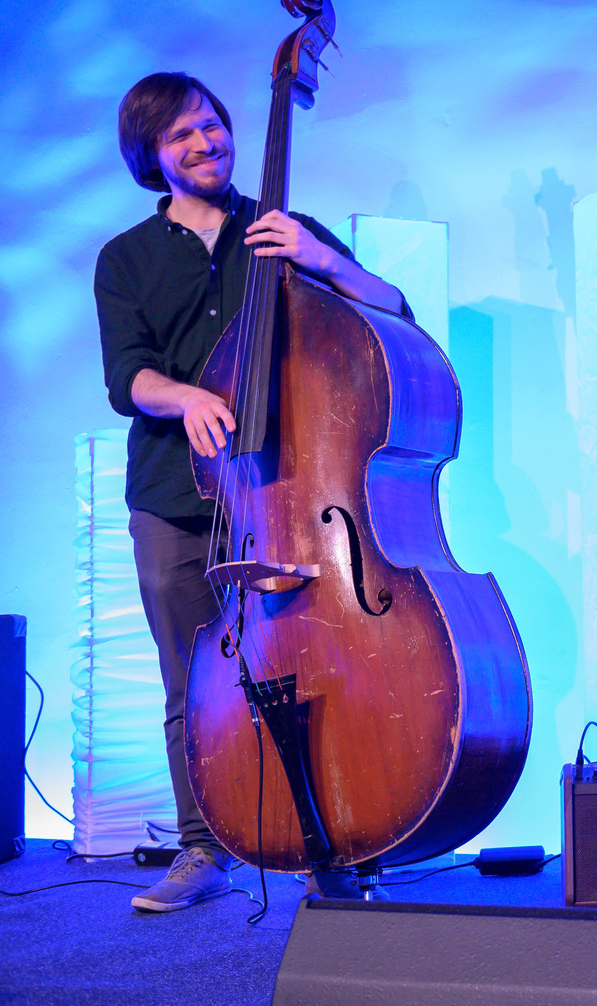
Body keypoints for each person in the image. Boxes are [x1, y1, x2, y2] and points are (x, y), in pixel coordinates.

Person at [93, 72, 407, 913]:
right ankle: (204, 850)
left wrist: (322, 259)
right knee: (190, 679)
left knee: (317, 668)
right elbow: (128, 378)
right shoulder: (124, 258)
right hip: (174, 495)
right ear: (151, 158)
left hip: (294, 494)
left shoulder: (281, 229)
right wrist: (187, 394)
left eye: (212, 126)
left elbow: (394, 309)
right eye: (182, 137)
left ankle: (326, 841)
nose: (206, 144)